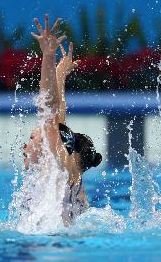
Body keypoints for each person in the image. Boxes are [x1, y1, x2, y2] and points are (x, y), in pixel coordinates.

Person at [23, 15, 102, 224]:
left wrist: (48, 57)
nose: (26, 144)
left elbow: (50, 111)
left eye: (32, 137)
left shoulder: (62, 167)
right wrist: (61, 74)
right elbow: (59, 115)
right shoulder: (69, 174)